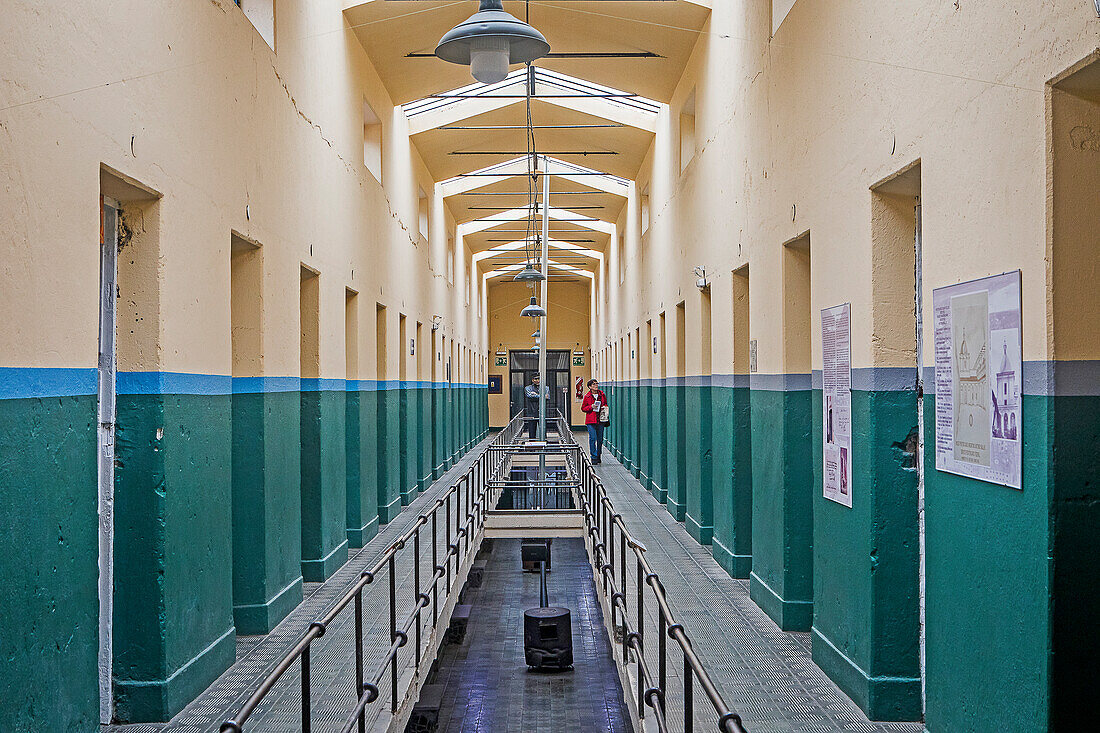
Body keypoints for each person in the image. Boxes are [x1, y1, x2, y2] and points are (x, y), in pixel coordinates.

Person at [581, 378, 608, 464]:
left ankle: (598, 455)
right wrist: (591, 407)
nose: (596, 385)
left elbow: (606, 403)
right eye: (594, 384)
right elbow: (583, 408)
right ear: (590, 387)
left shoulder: (602, 394)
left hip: (601, 420)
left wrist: (604, 407)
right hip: (591, 420)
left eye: (596, 384)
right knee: (593, 438)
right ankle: (593, 457)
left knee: (600, 439)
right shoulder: (587, 396)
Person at [524, 373, 547, 440]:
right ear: (532, 380)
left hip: (543, 413)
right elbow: (529, 396)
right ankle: (532, 447)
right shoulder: (528, 388)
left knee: (543, 432)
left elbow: (548, 397)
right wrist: (542, 396)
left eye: (539, 378)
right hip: (532, 412)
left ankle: (545, 446)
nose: (538, 380)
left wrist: (535, 395)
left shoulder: (545, 388)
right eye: (536, 379)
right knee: (531, 432)